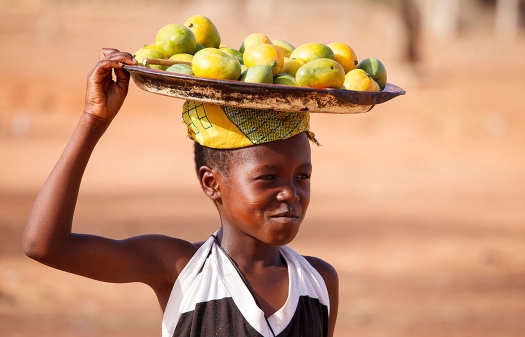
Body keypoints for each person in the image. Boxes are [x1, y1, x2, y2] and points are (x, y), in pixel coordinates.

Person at [23, 48, 339, 337]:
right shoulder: (181, 269)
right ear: (212, 183)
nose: (290, 193)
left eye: (303, 176)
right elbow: (45, 245)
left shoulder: (319, 282)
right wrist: (93, 120)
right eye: (268, 177)